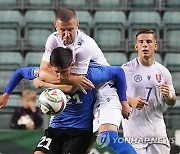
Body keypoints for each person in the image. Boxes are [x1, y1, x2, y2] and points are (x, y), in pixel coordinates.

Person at [0, 47, 136, 153]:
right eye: (56, 72)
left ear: (72, 65)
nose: (59, 77)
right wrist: (6, 94)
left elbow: (118, 72)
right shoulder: (45, 74)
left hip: (80, 131)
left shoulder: (88, 75)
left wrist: (124, 101)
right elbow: (20, 72)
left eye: (64, 72)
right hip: (55, 128)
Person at [38, 8, 131, 153]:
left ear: (77, 25)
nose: (67, 34)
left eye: (71, 29)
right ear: (56, 26)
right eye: (63, 30)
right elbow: (44, 72)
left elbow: (74, 86)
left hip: (103, 87)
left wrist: (124, 101)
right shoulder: (52, 39)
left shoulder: (84, 46)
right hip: (87, 88)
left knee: (107, 136)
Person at [122, 29, 176, 154]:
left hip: (157, 133)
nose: (145, 45)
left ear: (155, 45)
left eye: (149, 41)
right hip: (134, 135)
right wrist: (130, 101)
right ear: (136, 46)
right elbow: (113, 96)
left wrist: (168, 95)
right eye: (141, 42)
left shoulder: (163, 72)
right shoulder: (125, 70)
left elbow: (172, 101)